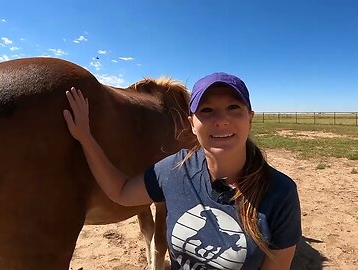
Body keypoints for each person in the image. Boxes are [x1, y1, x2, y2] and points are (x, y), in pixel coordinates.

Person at [63, 72, 301, 269]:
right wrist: (86, 138)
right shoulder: (175, 170)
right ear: (191, 122)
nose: (221, 120)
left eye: (233, 107)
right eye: (207, 110)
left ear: (250, 118)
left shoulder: (280, 193)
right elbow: (121, 191)